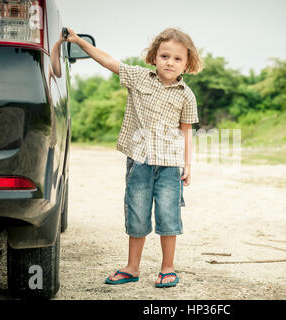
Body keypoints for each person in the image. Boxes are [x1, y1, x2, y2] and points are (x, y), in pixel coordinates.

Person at [63, 27, 203, 287]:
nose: (170, 62)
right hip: (139, 162)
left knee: (168, 216)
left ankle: (167, 268)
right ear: (154, 57)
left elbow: (186, 132)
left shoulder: (186, 95)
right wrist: (78, 41)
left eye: (177, 58)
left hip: (170, 167)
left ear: (187, 63)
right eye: (164, 56)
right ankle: (132, 267)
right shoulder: (139, 77)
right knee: (137, 214)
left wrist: (188, 164)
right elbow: (108, 60)